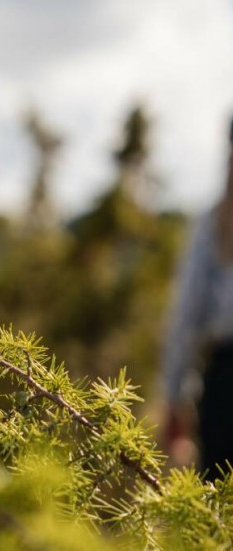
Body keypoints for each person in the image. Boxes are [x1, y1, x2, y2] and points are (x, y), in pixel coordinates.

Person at [163, 118, 233, 480]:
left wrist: (175, 398)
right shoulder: (212, 224)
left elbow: (186, 318)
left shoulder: (213, 224)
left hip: (224, 389)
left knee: (220, 523)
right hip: (222, 387)